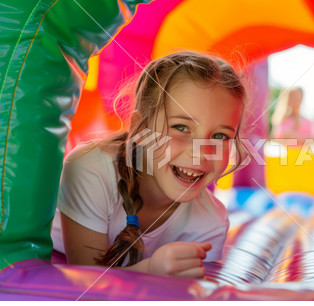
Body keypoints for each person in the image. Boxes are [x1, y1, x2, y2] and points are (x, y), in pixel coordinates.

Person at [51, 51, 248, 279]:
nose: (201, 153)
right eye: (181, 128)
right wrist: (150, 271)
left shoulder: (210, 222)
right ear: (139, 130)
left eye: (220, 136)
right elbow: (85, 284)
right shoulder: (91, 170)